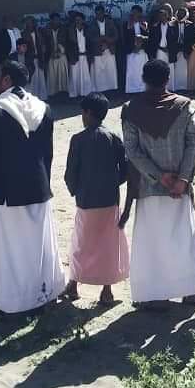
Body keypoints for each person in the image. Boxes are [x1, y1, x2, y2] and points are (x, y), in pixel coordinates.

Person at [0, 61, 64, 316]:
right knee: (39, 246)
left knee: (12, 249)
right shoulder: (44, 109)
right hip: (38, 187)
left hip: (8, 192)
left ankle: (14, 304)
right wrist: (43, 183)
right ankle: (43, 295)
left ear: (6, 80)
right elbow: (48, 154)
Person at [121, 59, 195, 309]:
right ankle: (190, 292)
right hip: (179, 190)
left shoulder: (131, 109)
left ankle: (156, 295)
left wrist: (159, 176)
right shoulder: (184, 106)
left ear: (143, 79)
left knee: (153, 243)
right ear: (168, 79)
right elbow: (194, 143)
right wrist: (182, 179)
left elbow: (132, 151)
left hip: (149, 188)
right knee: (183, 240)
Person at [63, 93, 129, 305]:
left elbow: (70, 173)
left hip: (86, 200)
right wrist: (112, 183)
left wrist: (76, 190)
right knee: (108, 244)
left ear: (88, 113)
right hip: (109, 200)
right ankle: (106, 291)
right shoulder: (113, 137)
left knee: (81, 243)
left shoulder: (78, 139)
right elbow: (125, 169)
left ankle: (73, 285)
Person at [87, 5, 120, 94]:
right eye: (96, 14)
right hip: (97, 51)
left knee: (110, 70)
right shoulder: (92, 24)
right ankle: (99, 91)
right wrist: (100, 40)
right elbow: (90, 38)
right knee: (98, 72)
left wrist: (107, 41)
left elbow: (116, 36)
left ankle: (111, 90)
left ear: (103, 13)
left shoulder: (110, 23)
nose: (98, 16)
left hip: (109, 49)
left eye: (100, 13)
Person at [66, 11, 95, 100]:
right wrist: (70, 56)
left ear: (83, 20)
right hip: (75, 56)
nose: (78, 21)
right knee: (74, 76)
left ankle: (85, 93)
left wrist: (91, 55)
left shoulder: (87, 29)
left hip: (85, 56)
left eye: (79, 19)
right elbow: (68, 45)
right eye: (76, 20)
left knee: (85, 76)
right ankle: (74, 94)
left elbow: (90, 43)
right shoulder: (70, 30)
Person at [21, 18, 50, 100]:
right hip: (30, 59)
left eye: (31, 23)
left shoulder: (39, 33)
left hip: (39, 58)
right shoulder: (23, 34)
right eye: (27, 23)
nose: (29, 25)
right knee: (31, 78)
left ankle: (42, 97)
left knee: (40, 78)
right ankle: (31, 97)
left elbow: (43, 44)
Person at [43, 13, 70, 97]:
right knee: (52, 76)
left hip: (62, 55)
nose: (56, 21)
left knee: (62, 75)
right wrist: (50, 53)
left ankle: (63, 93)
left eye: (58, 19)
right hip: (51, 57)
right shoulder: (46, 30)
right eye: (54, 19)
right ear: (51, 20)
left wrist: (61, 51)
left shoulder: (64, 29)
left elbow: (67, 43)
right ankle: (52, 95)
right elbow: (44, 44)